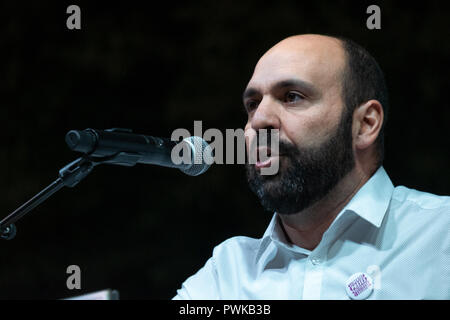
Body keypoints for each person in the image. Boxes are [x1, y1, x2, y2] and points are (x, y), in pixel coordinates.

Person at [173, 34, 449, 299]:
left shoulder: (440, 234)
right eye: (253, 104)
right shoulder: (228, 274)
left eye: (292, 96)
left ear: (365, 124)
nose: (259, 120)